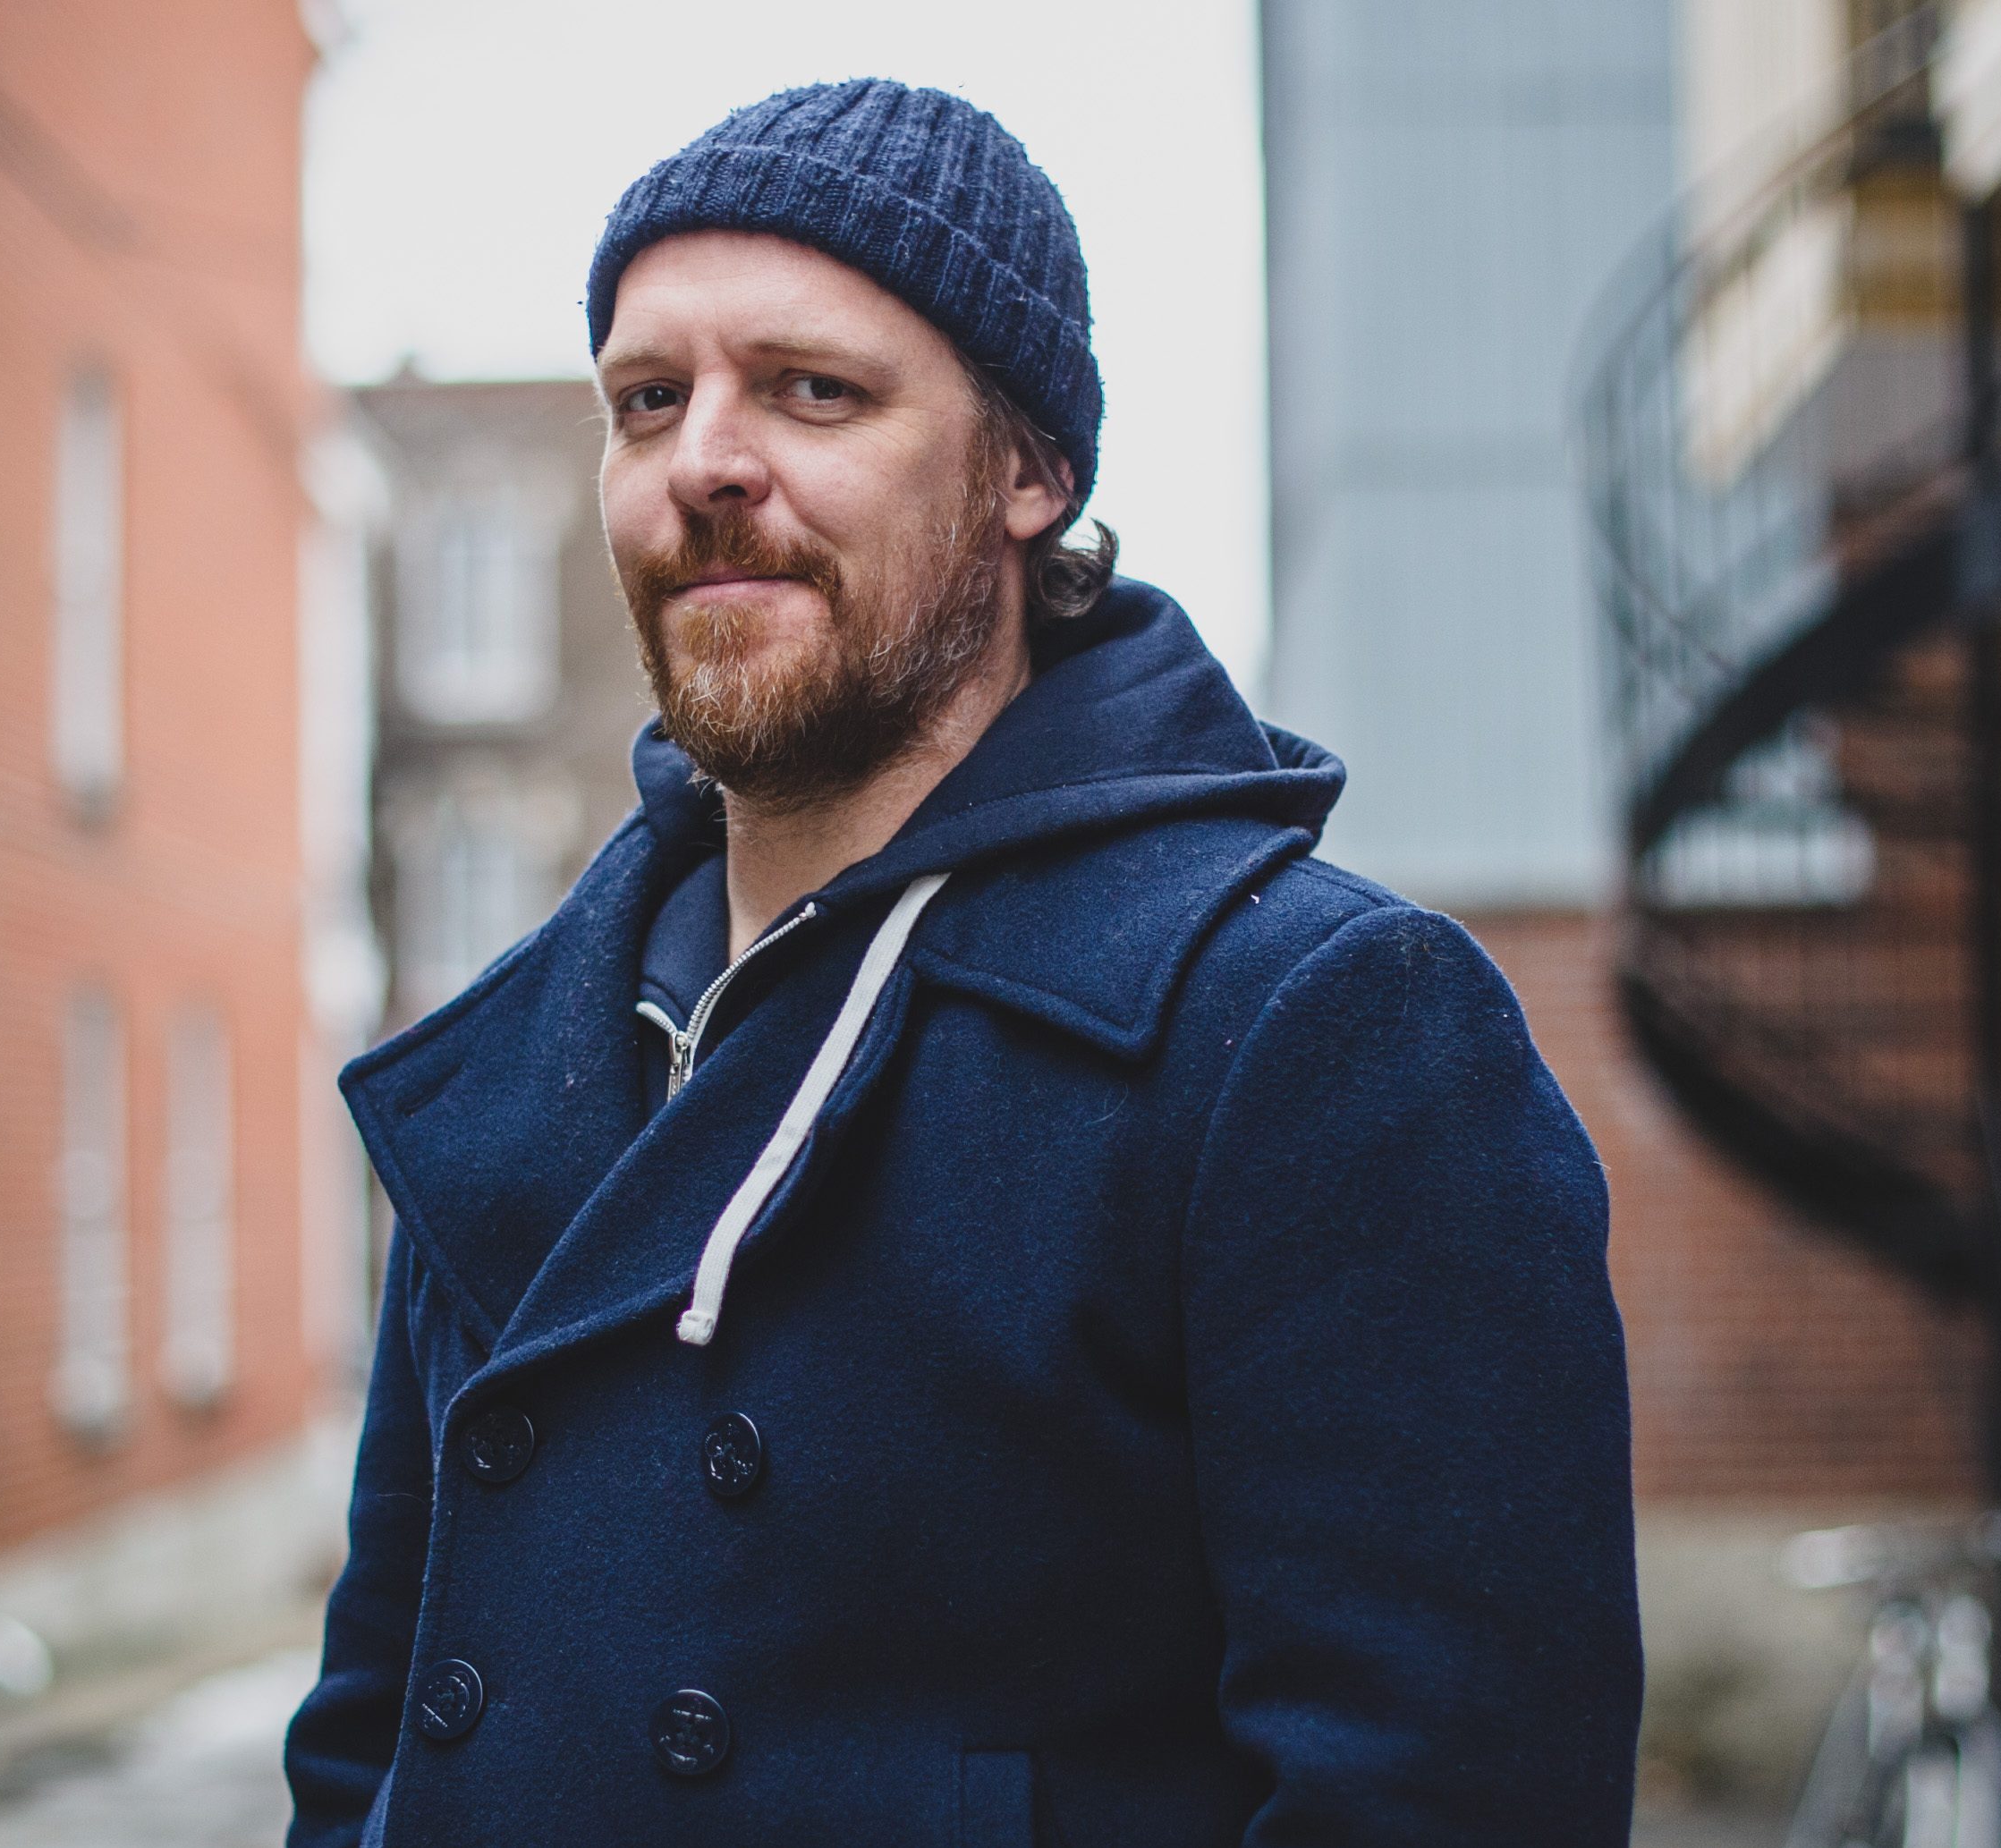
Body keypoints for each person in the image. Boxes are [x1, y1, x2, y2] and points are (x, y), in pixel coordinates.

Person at [282, 79, 1641, 1846]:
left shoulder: (1310, 1030)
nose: (704, 458)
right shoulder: (518, 1061)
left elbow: (1453, 1798)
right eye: (647, 400)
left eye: (812, 389)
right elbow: (371, 1742)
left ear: (1029, 471)